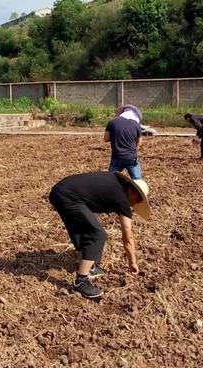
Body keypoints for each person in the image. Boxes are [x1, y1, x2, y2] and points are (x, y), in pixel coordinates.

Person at [49, 171, 151, 299]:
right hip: (68, 196)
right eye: (138, 200)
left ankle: (90, 265)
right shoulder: (122, 198)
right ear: (134, 192)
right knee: (98, 234)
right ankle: (80, 282)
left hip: (59, 191)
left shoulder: (115, 181)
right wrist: (132, 262)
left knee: (83, 226)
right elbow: (127, 236)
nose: (135, 204)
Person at [105, 104, 143, 179]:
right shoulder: (136, 125)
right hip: (131, 157)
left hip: (117, 156)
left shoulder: (112, 122)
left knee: (111, 179)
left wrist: (115, 136)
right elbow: (139, 143)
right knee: (137, 180)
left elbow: (106, 138)